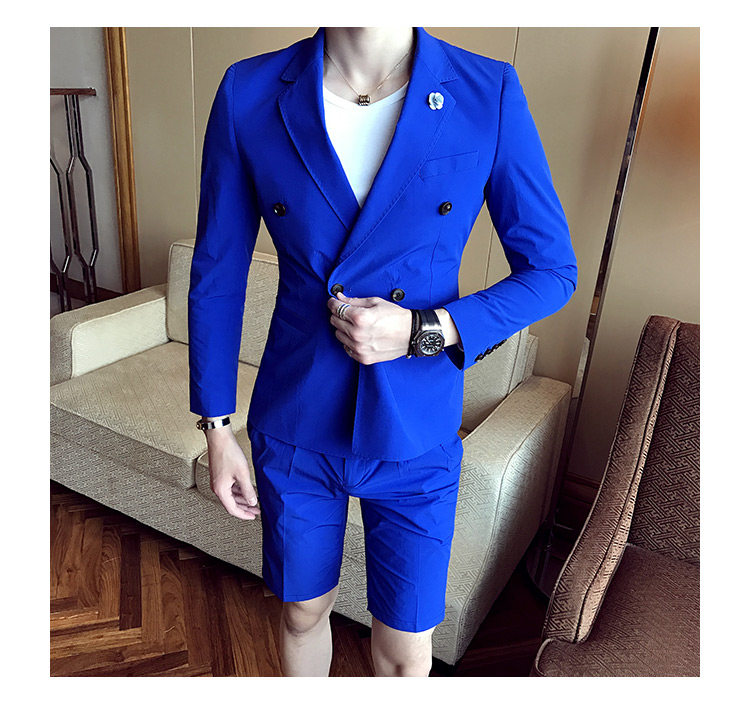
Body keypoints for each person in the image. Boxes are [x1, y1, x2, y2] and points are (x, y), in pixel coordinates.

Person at [189, 26, 577, 677]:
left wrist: (427, 328)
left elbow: (552, 270)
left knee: (404, 647)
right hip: (295, 416)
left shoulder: (486, 91)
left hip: (417, 427)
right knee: (301, 612)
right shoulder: (248, 91)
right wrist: (217, 426)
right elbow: (218, 271)